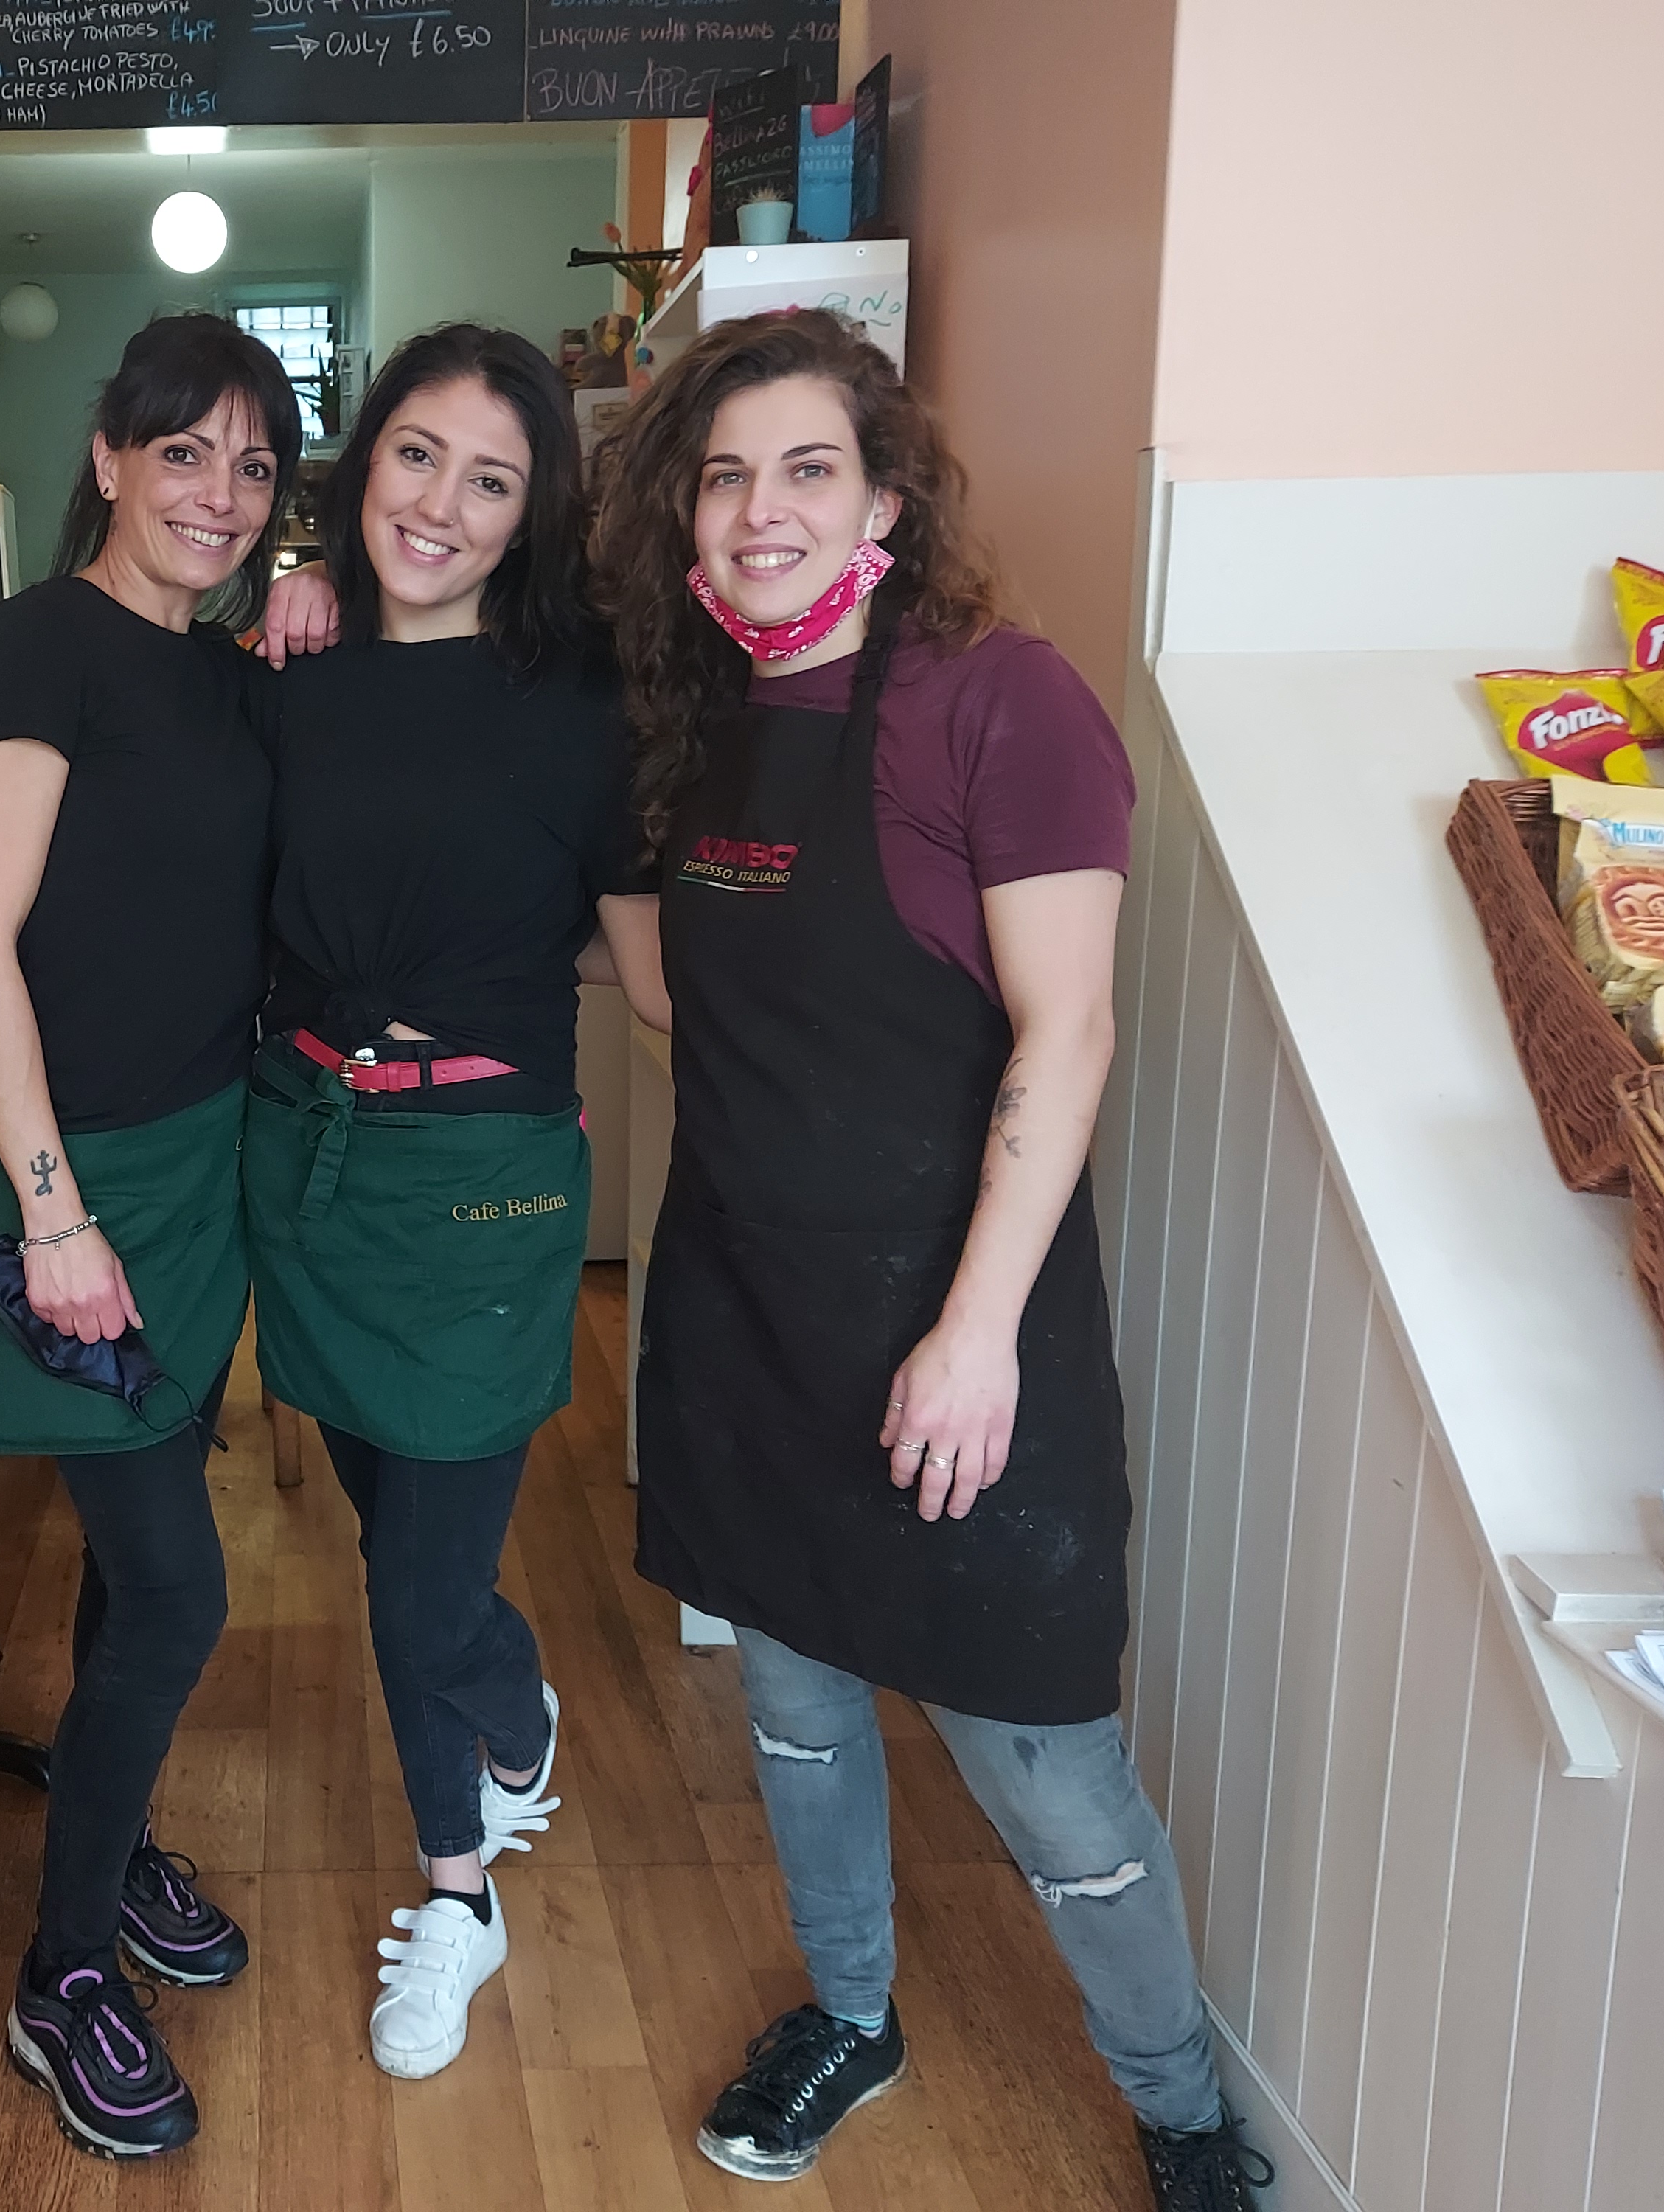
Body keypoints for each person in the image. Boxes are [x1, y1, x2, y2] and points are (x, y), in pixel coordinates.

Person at [586, 308, 1271, 2211]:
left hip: (962, 1324)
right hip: (747, 1317)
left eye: (807, 467)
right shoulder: (697, 720)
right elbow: (670, 1005)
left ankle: (1184, 2113)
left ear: (887, 495)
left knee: (1050, 1773)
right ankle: (854, 2013)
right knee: (797, 1720)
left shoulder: (999, 700)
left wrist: (973, 1340)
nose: (758, 512)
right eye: (722, 478)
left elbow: (1071, 1035)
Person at [240, 325, 658, 2079]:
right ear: (363, 462)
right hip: (309, 1153)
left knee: (415, 1583)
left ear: (530, 512)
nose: (441, 504)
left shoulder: (586, 701)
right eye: (417, 456)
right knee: (387, 1520)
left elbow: (649, 973)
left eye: (490, 479)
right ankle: (506, 1692)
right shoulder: (276, 671)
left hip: (484, 1177)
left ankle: (458, 1900)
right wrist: (273, 591)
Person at [0, 313, 299, 2159]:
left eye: (250, 467)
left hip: (208, 1157)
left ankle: (114, 1821)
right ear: (106, 456)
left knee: (116, 1552)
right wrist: (53, 1209)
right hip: (77, 1180)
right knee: (174, 1586)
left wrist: (306, 611)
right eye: (185, 455)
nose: (216, 497)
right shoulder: (31, 651)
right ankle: (62, 1965)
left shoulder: (224, 670)